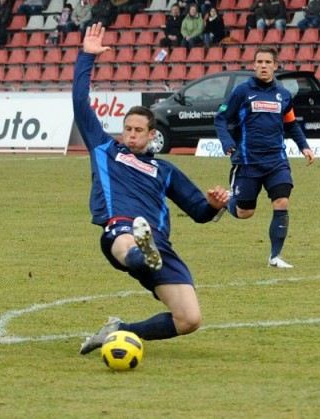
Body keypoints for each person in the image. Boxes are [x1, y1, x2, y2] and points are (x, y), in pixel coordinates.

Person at [75, 23, 230, 358]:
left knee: (189, 319)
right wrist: (86, 57)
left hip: (160, 243)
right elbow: (79, 102)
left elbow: (199, 213)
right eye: (127, 128)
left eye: (138, 131)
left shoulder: (165, 170)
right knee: (126, 241)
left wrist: (214, 205)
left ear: (150, 135)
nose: (130, 135)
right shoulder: (105, 149)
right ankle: (140, 254)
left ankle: (118, 331)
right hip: (121, 228)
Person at [214, 46, 316, 269]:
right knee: (245, 212)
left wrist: (304, 146)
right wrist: (227, 143)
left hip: (276, 161)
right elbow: (220, 118)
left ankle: (275, 257)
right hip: (248, 161)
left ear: (275, 66)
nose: (263, 66)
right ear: (253, 65)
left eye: (267, 62)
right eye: (259, 62)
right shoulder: (242, 92)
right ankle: (228, 202)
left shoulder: (283, 95)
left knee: (282, 201)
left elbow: (291, 124)